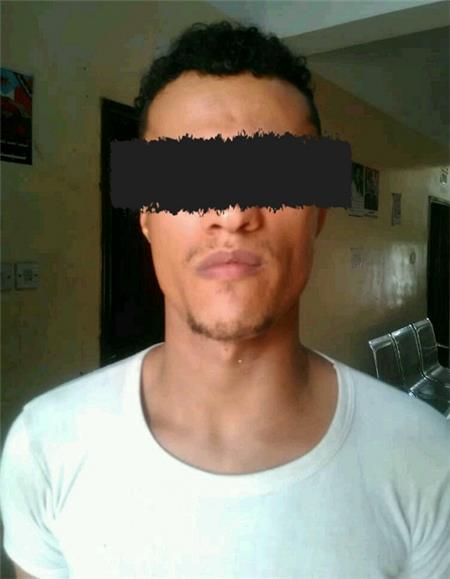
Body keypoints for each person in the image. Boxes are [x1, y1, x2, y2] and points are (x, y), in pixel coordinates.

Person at [1, 20, 449, 579]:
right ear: (146, 214)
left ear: (318, 212)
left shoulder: (426, 459)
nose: (233, 213)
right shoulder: (46, 447)